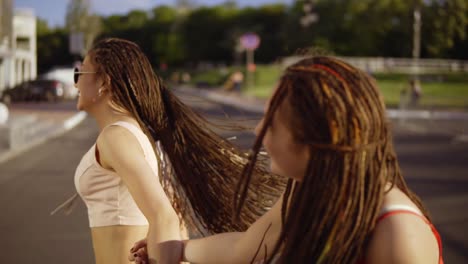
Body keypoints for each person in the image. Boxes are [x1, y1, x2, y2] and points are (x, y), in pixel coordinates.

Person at [130, 56, 443, 263]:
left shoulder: (399, 236)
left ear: (311, 138)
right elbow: (246, 249)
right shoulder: (307, 191)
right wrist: (181, 249)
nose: (258, 129)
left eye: (271, 122)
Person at [58, 38, 284, 264]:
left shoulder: (116, 137)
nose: (75, 83)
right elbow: (174, 216)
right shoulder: (142, 135)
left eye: (80, 73)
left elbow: (163, 217)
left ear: (104, 82)